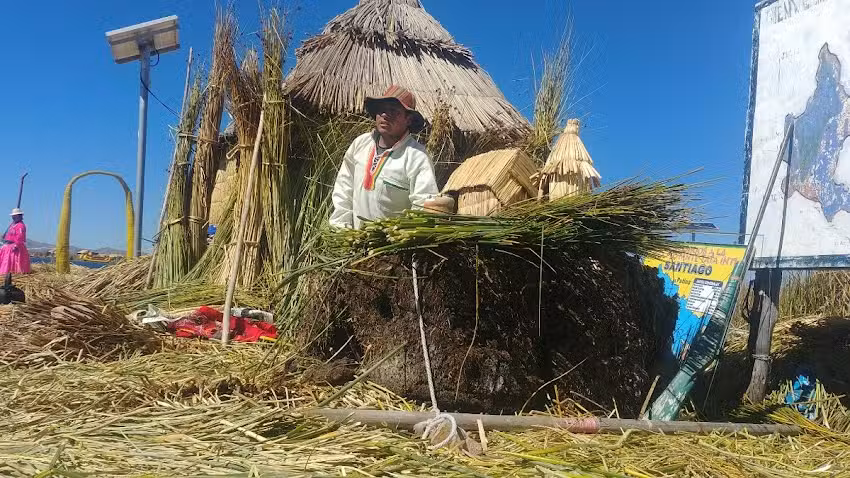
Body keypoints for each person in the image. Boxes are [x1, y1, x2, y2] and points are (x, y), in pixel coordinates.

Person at [330, 85, 440, 229]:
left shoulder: (417, 157)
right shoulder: (360, 145)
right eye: (381, 110)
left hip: (392, 245)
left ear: (409, 120)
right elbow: (344, 188)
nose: (385, 115)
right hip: (354, 240)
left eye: (393, 111)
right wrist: (341, 229)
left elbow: (423, 204)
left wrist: (401, 242)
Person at [0, 208, 31, 275]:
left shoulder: (21, 226)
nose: (13, 217)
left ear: (20, 216)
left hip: (16, 247)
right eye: (13, 216)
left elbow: (20, 236)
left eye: (15, 216)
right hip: (8, 246)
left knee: (13, 260)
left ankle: (12, 272)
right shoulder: (13, 225)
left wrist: (16, 245)